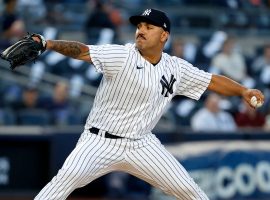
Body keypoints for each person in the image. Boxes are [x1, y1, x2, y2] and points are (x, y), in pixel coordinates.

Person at [32, 8, 264, 200]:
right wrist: (47, 44)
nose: (140, 31)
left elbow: (211, 80)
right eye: (139, 26)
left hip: (141, 144)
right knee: (61, 184)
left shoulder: (176, 68)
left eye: (148, 27)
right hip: (98, 141)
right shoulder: (122, 55)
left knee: (191, 192)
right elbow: (82, 51)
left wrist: (243, 90)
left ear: (164, 36)